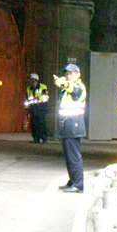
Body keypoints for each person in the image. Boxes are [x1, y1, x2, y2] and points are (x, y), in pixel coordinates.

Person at [54, 63, 87, 193]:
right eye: (66, 74)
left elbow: (73, 90)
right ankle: (73, 181)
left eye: (71, 73)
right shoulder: (67, 88)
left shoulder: (79, 87)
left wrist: (63, 83)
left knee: (73, 156)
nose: (68, 76)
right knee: (69, 156)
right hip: (67, 125)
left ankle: (78, 184)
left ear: (78, 75)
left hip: (74, 125)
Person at [24, 73, 49, 143]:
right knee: (34, 124)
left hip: (41, 107)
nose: (30, 81)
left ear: (35, 80)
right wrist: (26, 109)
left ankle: (44, 138)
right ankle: (36, 138)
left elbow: (46, 97)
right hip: (33, 109)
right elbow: (27, 100)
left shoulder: (43, 87)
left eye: (31, 80)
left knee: (41, 123)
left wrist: (37, 99)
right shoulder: (28, 89)